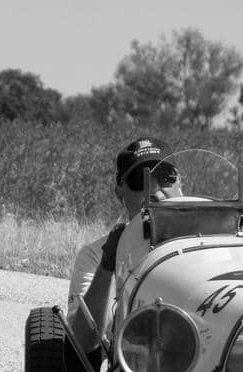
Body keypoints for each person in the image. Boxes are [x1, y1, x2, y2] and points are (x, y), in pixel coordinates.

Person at [65, 137, 184, 359]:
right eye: (141, 180)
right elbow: (81, 343)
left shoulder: (214, 242)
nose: (155, 190)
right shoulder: (95, 255)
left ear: (180, 182)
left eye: (165, 176)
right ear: (120, 191)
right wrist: (107, 265)